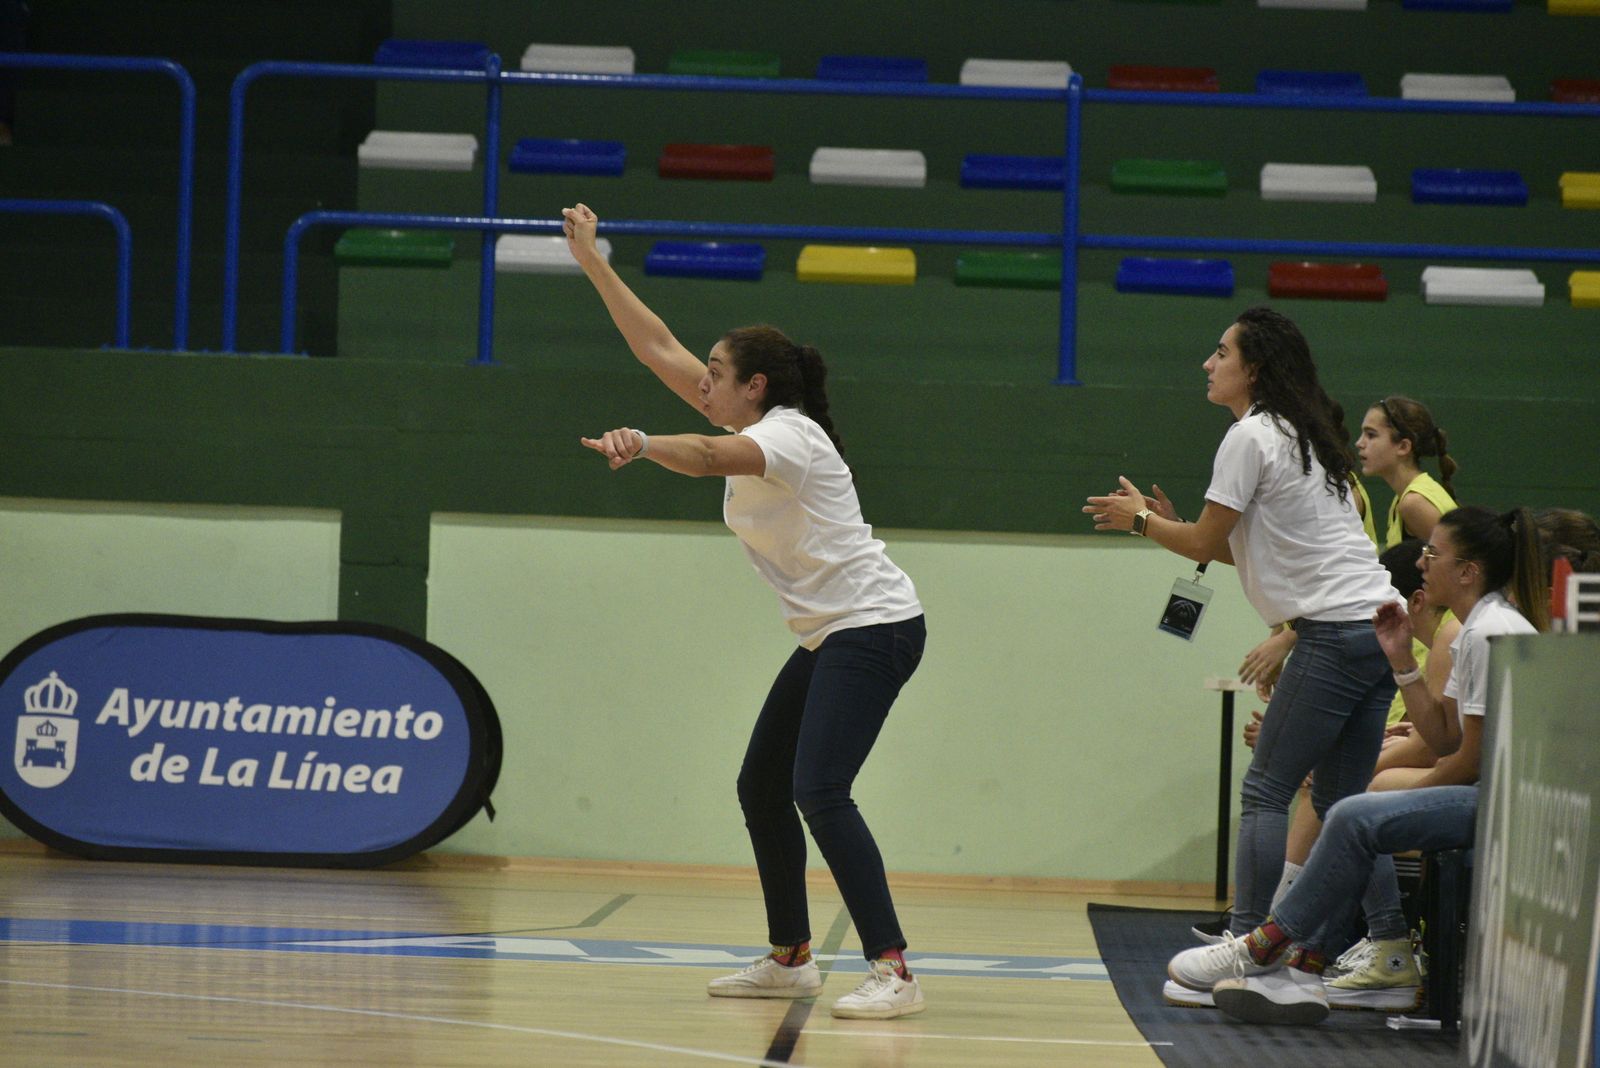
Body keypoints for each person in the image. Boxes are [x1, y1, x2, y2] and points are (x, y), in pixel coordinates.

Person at [562, 203, 929, 1020]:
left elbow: (700, 455)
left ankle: (894, 969)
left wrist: (645, 442)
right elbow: (658, 347)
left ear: (754, 387)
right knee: (762, 783)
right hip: (834, 635)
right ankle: (792, 957)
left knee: (820, 789)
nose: (702, 382)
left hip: (874, 627)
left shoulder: (789, 437)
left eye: (717, 374)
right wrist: (594, 262)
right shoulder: (758, 419)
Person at [1084, 307, 1399, 1002]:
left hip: (1334, 632)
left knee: (1266, 789)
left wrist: (1141, 521)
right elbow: (1229, 547)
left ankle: (1249, 951)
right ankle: (1391, 951)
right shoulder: (1305, 436)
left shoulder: (1248, 436)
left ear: (1251, 367)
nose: (1207, 362)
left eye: (1220, 351)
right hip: (1381, 627)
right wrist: (1169, 522)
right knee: (1347, 802)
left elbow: (1200, 546)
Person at [1196, 506, 1548, 1025]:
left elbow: (1468, 760)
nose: (1423, 563)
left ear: (1468, 571)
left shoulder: (1487, 633)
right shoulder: (1479, 627)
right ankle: (1304, 964)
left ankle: (1268, 944)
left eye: (1434, 554)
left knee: (1353, 815)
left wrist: (1398, 800)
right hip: (1492, 790)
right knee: (1353, 810)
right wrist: (1402, 660)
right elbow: (1445, 735)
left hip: (1508, 800)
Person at [1356, 396, 1458, 547]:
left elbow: (1460, 564)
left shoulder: (1414, 503)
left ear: (1403, 447)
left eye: (1371, 435)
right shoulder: (1402, 499)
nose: (1359, 443)